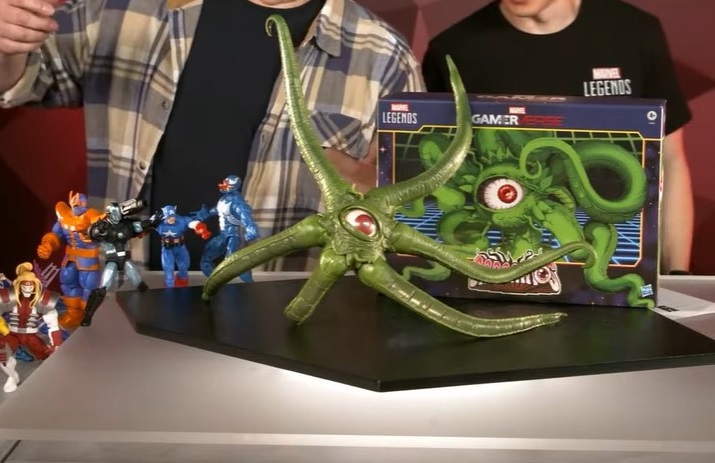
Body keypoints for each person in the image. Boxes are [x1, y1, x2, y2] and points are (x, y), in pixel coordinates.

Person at [0, 0, 425, 272]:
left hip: (282, 325)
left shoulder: (384, 58)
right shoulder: (123, 9)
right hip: (124, 302)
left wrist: (383, 201)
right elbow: (24, 79)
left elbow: (411, 225)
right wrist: (7, 42)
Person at [421, 0, 694, 275]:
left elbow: (670, 161)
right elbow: (437, 171)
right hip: (495, 266)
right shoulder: (453, 50)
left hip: (622, 262)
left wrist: (677, 274)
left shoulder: (635, 33)